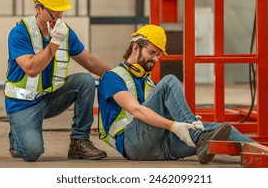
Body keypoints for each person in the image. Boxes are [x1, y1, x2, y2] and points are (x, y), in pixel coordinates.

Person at [98, 24, 255, 164]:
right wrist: (174, 126)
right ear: (135, 48)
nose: (155, 59)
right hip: (133, 144)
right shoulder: (112, 77)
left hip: (161, 146)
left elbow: (158, 118)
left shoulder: (149, 84)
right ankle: (197, 135)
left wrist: (185, 122)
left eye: (158, 55)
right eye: (152, 52)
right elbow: (136, 110)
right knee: (169, 81)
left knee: (221, 130)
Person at [4, 0, 111, 162]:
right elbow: (31, 69)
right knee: (32, 153)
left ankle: (79, 141)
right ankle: (17, 136)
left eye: (62, 11)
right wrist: (54, 43)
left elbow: (90, 62)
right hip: (23, 104)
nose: (59, 16)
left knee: (85, 81)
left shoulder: (64, 31)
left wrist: (121, 77)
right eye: (55, 11)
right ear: (39, 9)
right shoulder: (20, 33)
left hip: (50, 97)